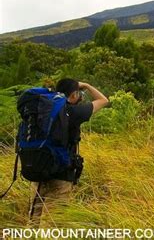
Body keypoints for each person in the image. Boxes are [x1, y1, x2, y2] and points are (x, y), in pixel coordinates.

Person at [28, 79, 109, 227]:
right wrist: (87, 85)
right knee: (53, 225)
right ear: (73, 95)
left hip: (37, 171)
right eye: (79, 93)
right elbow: (103, 100)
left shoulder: (42, 110)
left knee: (33, 221)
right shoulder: (73, 112)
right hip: (61, 175)